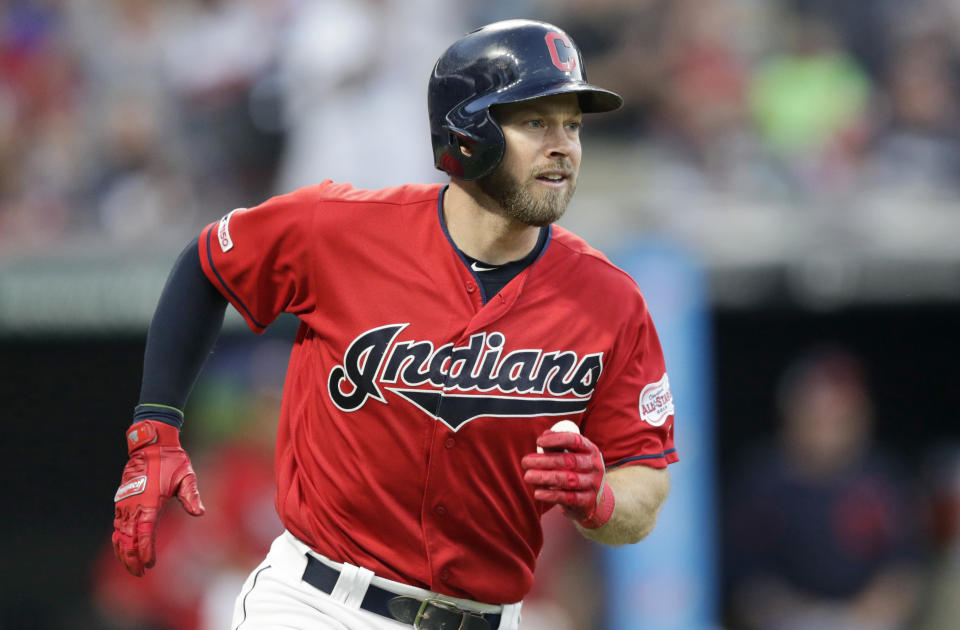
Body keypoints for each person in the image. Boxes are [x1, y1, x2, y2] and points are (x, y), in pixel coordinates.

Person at [111, 19, 677, 630]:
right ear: (467, 133)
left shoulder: (609, 300)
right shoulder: (338, 229)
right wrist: (156, 428)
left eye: (572, 124)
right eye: (536, 122)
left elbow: (644, 485)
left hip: (487, 616)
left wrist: (601, 500)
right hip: (318, 604)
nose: (563, 144)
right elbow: (206, 264)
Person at [724, 347, 921, 630]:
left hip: (867, 621)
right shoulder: (762, 479)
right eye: (816, 413)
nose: (826, 426)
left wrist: (861, 618)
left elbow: (904, 566)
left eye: (839, 416)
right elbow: (747, 579)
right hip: (787, 619)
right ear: (791, 414)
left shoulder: (883, 478)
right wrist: (805, 618)